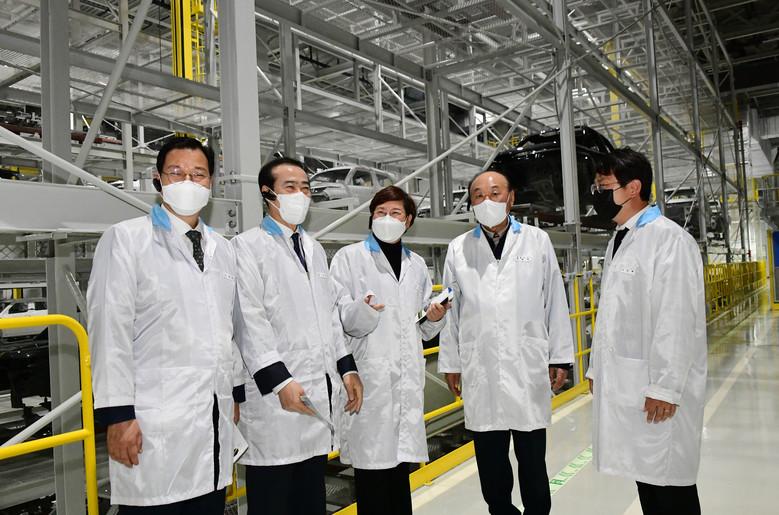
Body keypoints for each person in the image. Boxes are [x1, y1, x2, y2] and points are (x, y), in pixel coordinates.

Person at [87, 136, 242, 513]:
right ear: (158, 179)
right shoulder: (126, 239)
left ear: (211, 183)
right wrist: (117, 416)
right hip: (152, 423)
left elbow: (226, 330)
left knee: (209, 501)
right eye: (176, 172)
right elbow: (109, 332)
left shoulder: (222, 249)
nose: (188, 181)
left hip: (213, 418)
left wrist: (233, 393)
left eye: (198, 174)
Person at [232, 156, 364, 515]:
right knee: (273, 502)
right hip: (276, 400)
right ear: (267, 193)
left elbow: (329, 316)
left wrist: (347, 369)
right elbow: (248, 320)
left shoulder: (314, 249)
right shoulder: (246, 247)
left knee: (310, 500)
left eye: (305, 188)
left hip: (315, 396)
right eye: (290, 187)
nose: (300, 195)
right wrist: (279, 381)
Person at [438, 168, 574, 515]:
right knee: (491, 462)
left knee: (532, 460)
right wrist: (451, 363)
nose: (487, 200)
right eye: (478, 195)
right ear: (471, 203)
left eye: (495, 193)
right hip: (480, 366)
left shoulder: (536, 240)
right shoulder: (458, 248)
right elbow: (451, 310)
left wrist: (560, 357)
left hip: (526, 364)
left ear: (510, 198)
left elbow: (554, 300)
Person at [585, 148, 707, 515]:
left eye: (604, 186)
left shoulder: (669, 239)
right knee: (648, 483)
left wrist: (665, 388)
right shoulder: (621, 238)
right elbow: (613, 314)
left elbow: (676, 318)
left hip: (659, 389)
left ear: (633, 188)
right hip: (632, 384)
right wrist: (596, 369)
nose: (597, 194)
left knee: (670, 487)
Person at [329, 186, 450, 515]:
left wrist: (434, 316)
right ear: (371, 218)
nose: (387, 218)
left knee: (399, 477)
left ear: (408, 220)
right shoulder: (349, 259)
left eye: (395, 213)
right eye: (380, 212)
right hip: (369, 381)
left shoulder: (417, 265)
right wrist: (365, 310)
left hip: (406, 381)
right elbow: (341, 320)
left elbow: (419, 326)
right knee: (372, 480)